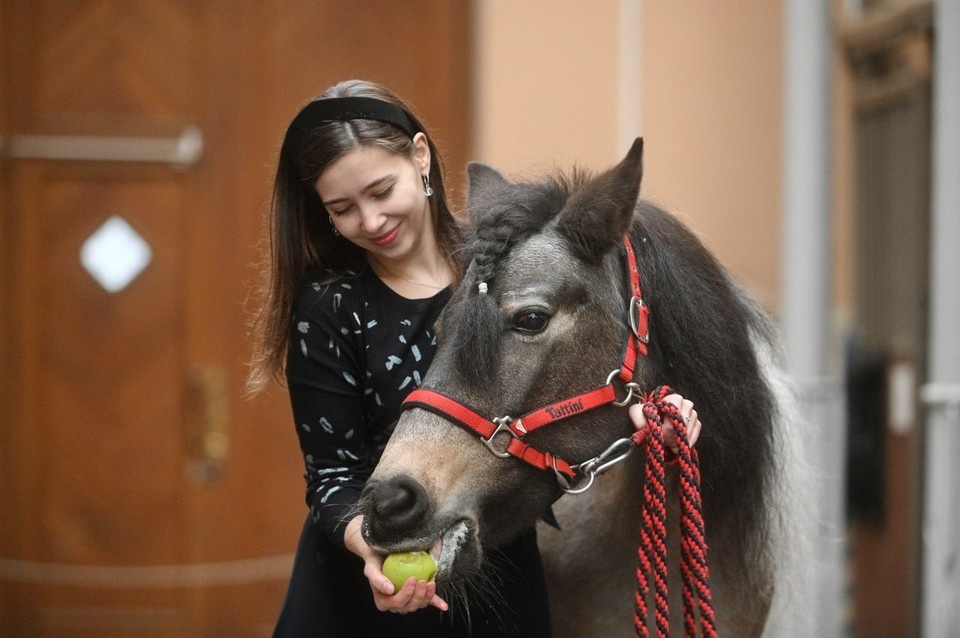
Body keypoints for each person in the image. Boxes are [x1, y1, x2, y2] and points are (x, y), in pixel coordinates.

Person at [246, 79, 702, 638]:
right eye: (342, 209)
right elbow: (330, 476)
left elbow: (569, 384)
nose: (371, 220)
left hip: (500, 575)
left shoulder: (504, 268)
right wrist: (371, 551)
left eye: (381, 191)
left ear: (419, 157)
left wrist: (645, 413)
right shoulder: (329, 306)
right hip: (368, 584)